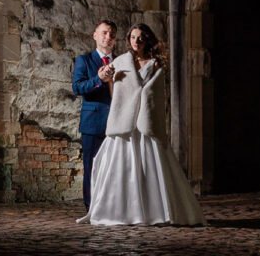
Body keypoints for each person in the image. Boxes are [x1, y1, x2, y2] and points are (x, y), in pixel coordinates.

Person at [80, 23, 204, 227]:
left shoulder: (155, 64)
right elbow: (116, 92)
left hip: (144, 121)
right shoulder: (121, 61)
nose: (136, 41)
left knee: (149, 169)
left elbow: (155, 94)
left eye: (140, 38)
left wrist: (142, 98)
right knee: (123, 170)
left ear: (147, 40)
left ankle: (153, 212)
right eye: (132, 37)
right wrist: (109, 80)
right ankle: (120, 212)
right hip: (125, 122)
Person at [72, 19, 117, 211]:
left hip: (117, 122)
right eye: (104, 33)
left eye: (112, 34)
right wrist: (98, 79)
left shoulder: (120, 62)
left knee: (115, 167)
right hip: (93, 123)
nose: (108, 37)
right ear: (95, 35)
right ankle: (92, 208)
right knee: (91, 167)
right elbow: (77, 87)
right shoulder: (84, 60)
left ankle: (113, 206)